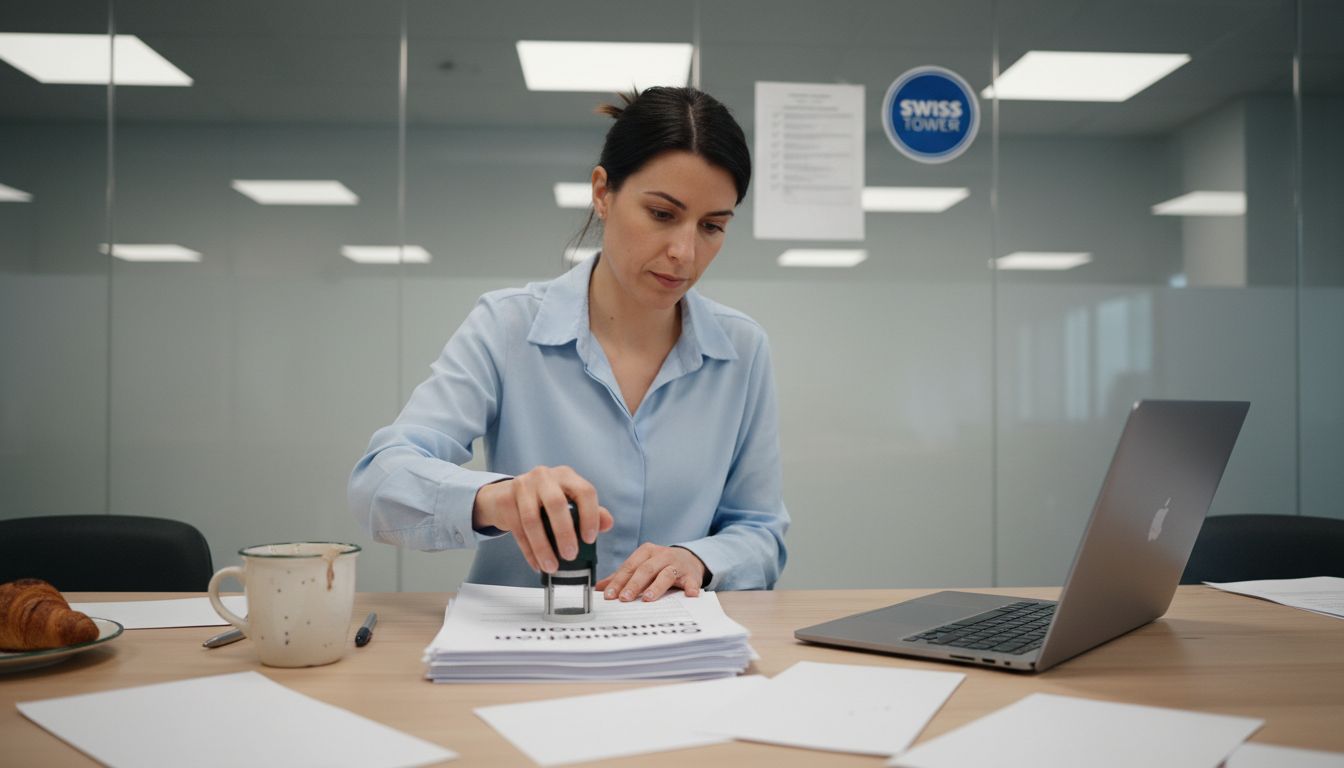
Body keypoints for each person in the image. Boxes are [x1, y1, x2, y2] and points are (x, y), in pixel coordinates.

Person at [348, 86, 788, 603]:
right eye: (662, 214)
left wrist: (699, 559)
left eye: (712, 226)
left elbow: (761, 532)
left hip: (680, 638)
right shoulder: (507, 326)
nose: (684, 253)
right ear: (603, 193)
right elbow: (381, 481)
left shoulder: (742, 350)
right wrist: (497, 498)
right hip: (523, 640)